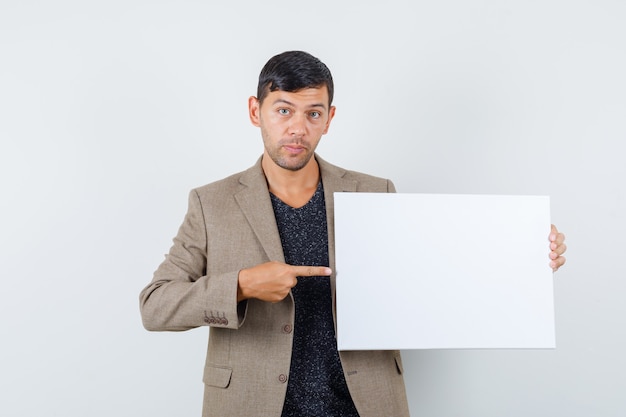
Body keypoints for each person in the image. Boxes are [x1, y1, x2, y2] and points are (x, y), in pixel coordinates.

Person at [139, 50, 567, 417]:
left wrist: (520, 256)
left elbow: (429, 281)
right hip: (253, 403)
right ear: (256, 111)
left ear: (329, 118)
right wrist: (241, 285)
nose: (297, 128)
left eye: (313, 113)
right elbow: (155, 306)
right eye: (283, 110)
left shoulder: (374, 192)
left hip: (363, 403)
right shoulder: (211, 203)